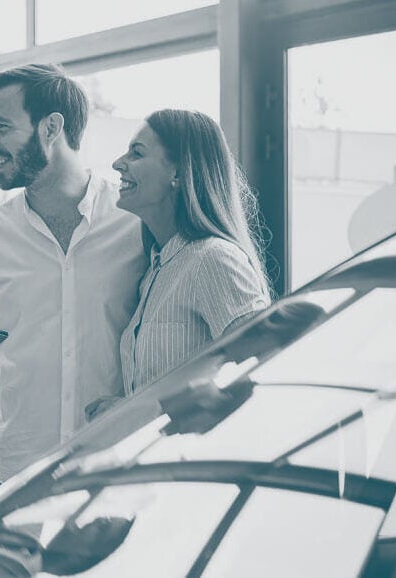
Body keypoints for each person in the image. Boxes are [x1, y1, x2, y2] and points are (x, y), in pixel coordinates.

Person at [0, 64, 146, 492]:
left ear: (51, 127)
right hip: (15, 471)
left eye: (1, 127)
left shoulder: (135, 224)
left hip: (114, 466)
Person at [87, 109, 271, 421]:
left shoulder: (213, 260)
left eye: (137, 152)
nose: (119, 163)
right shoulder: (156, 269)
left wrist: (134, 412)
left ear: (179, 173)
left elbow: (259, 375)